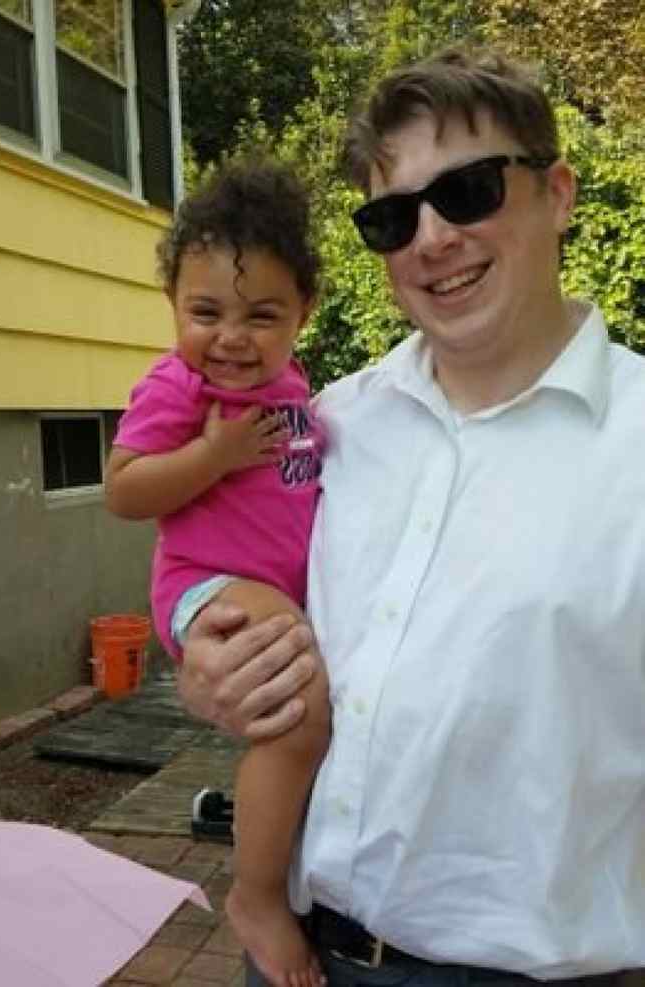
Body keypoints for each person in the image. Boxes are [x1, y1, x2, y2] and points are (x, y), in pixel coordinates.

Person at [177, 48, 645, 987]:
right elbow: (226, 568)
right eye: (392, 218)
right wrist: (208, 660)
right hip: (299, 955)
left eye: (468, 192)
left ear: (556, 194)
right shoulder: (327, 426)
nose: (431, 238)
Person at [105, 160, 331, 987]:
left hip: (276, 587)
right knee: (299, 712)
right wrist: (213, 454)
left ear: (304, 311)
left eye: (261, 315)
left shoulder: (295, 386)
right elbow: (124, 490)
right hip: (206, 582)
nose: (232, 337)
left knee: (305, 728)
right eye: (206, 313)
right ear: (173, 304)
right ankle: (256, 895)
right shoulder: (179, 387)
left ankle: (288, 867)